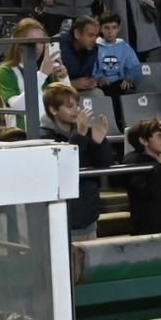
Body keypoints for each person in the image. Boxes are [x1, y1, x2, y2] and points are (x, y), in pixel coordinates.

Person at [39, 82, 115, 239]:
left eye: (77, 105)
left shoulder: (84, 131)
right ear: (53, 110)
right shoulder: (43, 137)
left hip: (88, 212)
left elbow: (104, 165)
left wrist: (98, 142)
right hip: (61, 216)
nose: (77, 110)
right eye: (69, 106)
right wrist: (79, 135)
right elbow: (65, 166)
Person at [0, 17, 65, 130]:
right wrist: (42, 74)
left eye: (40, 41)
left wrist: (63, 77)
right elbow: (19, 107)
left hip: (50, 132)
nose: (37, 46)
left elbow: (66, 103)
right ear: (18, 42)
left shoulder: (46, 70)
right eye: (32, 41)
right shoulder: (6, 70)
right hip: (21, 134)